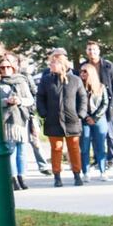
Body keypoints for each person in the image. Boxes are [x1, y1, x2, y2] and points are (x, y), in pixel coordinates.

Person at [36, 50, 87, 187]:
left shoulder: (75, 80)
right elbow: (40, 97)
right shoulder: (46, 80)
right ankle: (57, 176)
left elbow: (82, 97)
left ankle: (77, 174)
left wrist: (81, 114)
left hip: (72, 120)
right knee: (56, 148)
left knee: (74, 148)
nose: (50, 65)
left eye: (53, 62)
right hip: (53, 120)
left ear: (62, 64)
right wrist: (43, 112)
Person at [0, 52, 35, 191]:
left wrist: (19, 101)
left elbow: (30, 99)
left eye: (8, 66)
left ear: (13, 68)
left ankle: (21, 176)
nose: (5, 69)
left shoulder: (21, 81)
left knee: (22, 151)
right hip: (7, 121)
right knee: (11, 151)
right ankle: (13, 179)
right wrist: (6, 101)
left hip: (21, 119)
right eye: (2, 67)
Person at [81, 41, 113, 168]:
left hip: (107, 104)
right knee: (92, 136)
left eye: (94, 49)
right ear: (86, 52)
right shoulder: (83, 66)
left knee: (109, 135)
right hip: (90, 105)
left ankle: (110, 159)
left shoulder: (108, 66)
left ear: (99, 51)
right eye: (89, 49)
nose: (92, 52)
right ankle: (97, 160)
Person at [79, 63, 110, 181]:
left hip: (98, 119)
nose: (82, 73)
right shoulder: (78, 86)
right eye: (81, 71)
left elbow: (105, 103)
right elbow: (77, 103)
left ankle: (103, 170)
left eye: (85, 71)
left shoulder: (101, 87)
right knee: (84, 146)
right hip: (84, 119)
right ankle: (86, 172)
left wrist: (95, 117)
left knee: (100, 146)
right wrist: (85, 116)